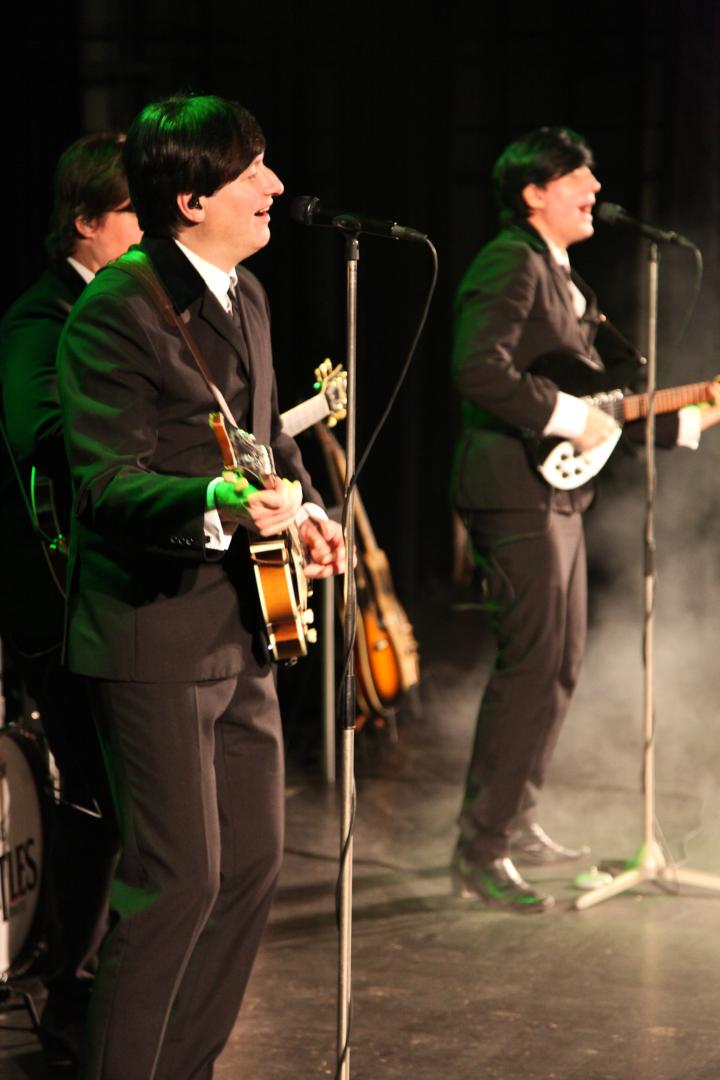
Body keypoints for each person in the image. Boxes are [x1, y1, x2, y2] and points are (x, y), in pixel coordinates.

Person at [57, 93, 345, 1079]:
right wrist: (215, 500)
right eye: (250, 173)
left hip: (244, 625)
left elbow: (263, 442)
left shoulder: (245, 294)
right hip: (155, 633)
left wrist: (307, 513)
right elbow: (103, 486)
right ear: (190, 201)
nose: (274, 186)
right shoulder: (119, 308)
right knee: (176, 882)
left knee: (253, 867)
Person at [449, 126, 720, 913]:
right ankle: (480, 850)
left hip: (556, 492)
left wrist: (687, 421)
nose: (595, 189)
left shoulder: (567, 280)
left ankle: (513, 818)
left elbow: (603, 406)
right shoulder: (510, 260)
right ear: (534, 191)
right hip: (512, 487)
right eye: (578, 176)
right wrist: (573, 417)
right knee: (532, 665)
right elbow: (477, 368)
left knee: (561, 664)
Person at [0, 131, 141, 1065]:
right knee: (97, 804)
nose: (148, 229)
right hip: (55, 604)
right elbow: (42, 433)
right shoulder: (41, 317)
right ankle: (71, 1003)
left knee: (126, 806)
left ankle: (105, 993)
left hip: (111, 596)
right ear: (86, 222)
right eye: (133, 212)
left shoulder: (133, 304)